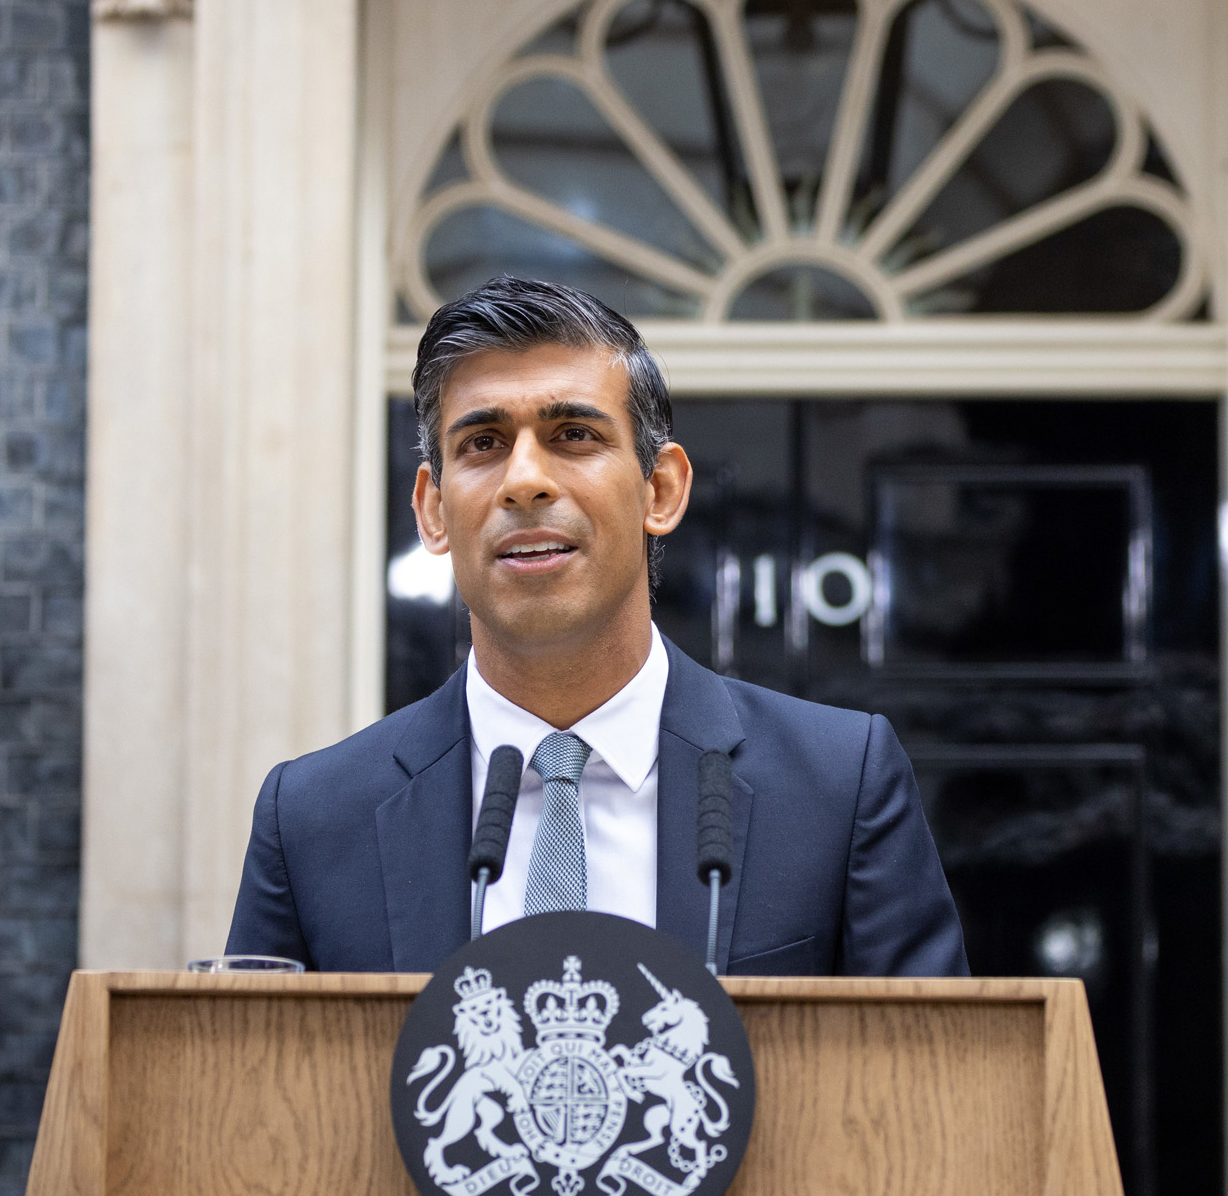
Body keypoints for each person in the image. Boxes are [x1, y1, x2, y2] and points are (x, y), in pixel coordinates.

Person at [227, 276, 967, 976]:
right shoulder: (314, 819)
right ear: (431, 508)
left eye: (574, 435)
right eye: (482, 444)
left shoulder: (838, 786)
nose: (524, 480)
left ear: (662, 489)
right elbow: (257, 1102)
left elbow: (929, 1089)